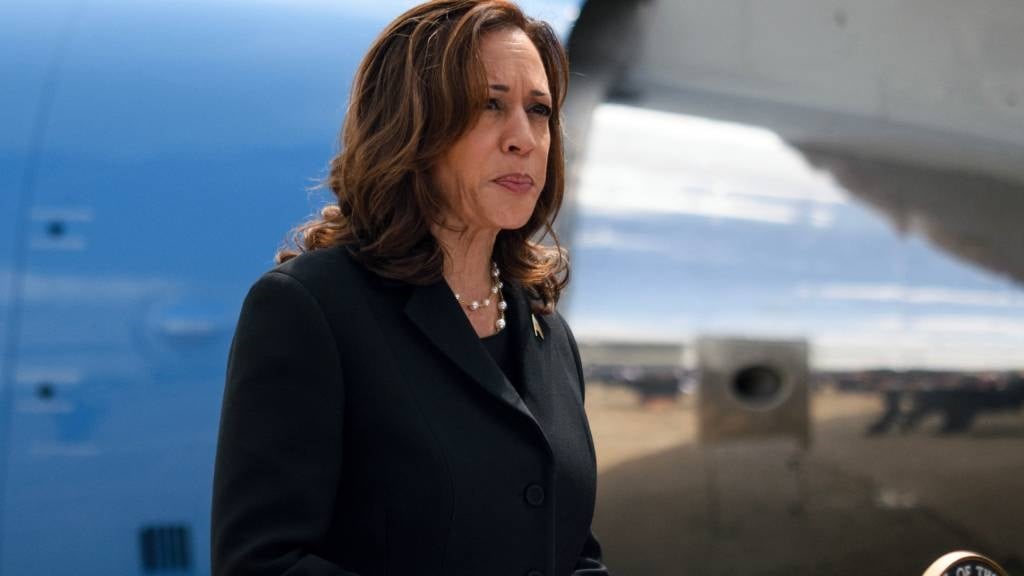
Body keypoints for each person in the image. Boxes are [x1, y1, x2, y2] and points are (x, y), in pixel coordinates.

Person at [211, 1, 610, 575]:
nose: (524, 138)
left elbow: (571, 551)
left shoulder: (547, 333)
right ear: (414, 126)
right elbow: (262, 565)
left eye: (540, 110)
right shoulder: (310, 308)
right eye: (489, 105)